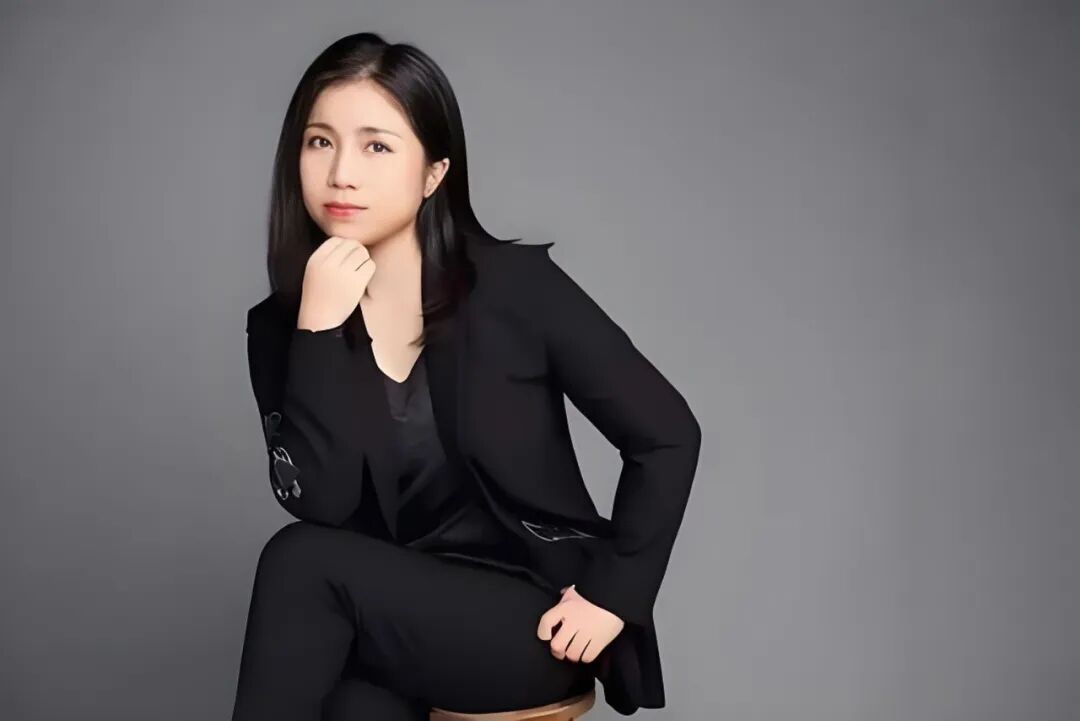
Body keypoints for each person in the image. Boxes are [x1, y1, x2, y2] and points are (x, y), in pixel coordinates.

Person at [231, 32, 701, 721]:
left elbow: (668, 434)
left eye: (376, 146)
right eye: (319, 142)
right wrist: (320, 332)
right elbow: (323, 502)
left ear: (433, 173)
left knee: (298, 562)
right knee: (352, 703)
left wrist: (614, 595)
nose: (340, 174)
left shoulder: (513, 288)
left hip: (528, 614)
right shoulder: (288, 327)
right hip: (393, 618)